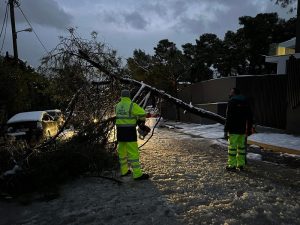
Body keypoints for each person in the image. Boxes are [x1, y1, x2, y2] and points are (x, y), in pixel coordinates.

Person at [115, 89, 149, 180]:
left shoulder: (117, 106)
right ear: (129, 96)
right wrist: (140, 120)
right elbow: (143, 113)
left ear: (121, 96)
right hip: (129, 132)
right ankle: (137, 174)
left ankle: (124, 171)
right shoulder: (131, 105)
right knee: (133, 154)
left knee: (122, 152)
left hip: (120, 132)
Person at [224, 88, 253, 171]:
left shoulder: (231, 102)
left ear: (234, 93)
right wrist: (249, 128)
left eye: (231, 92)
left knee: (232, 148)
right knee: (241, 148)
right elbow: (250, 116)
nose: (229, 93)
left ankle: (231, 165)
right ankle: (240, 165)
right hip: (242, 130)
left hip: (233, 129)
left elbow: (228, 117)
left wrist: (226, 130)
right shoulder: (246, 102)